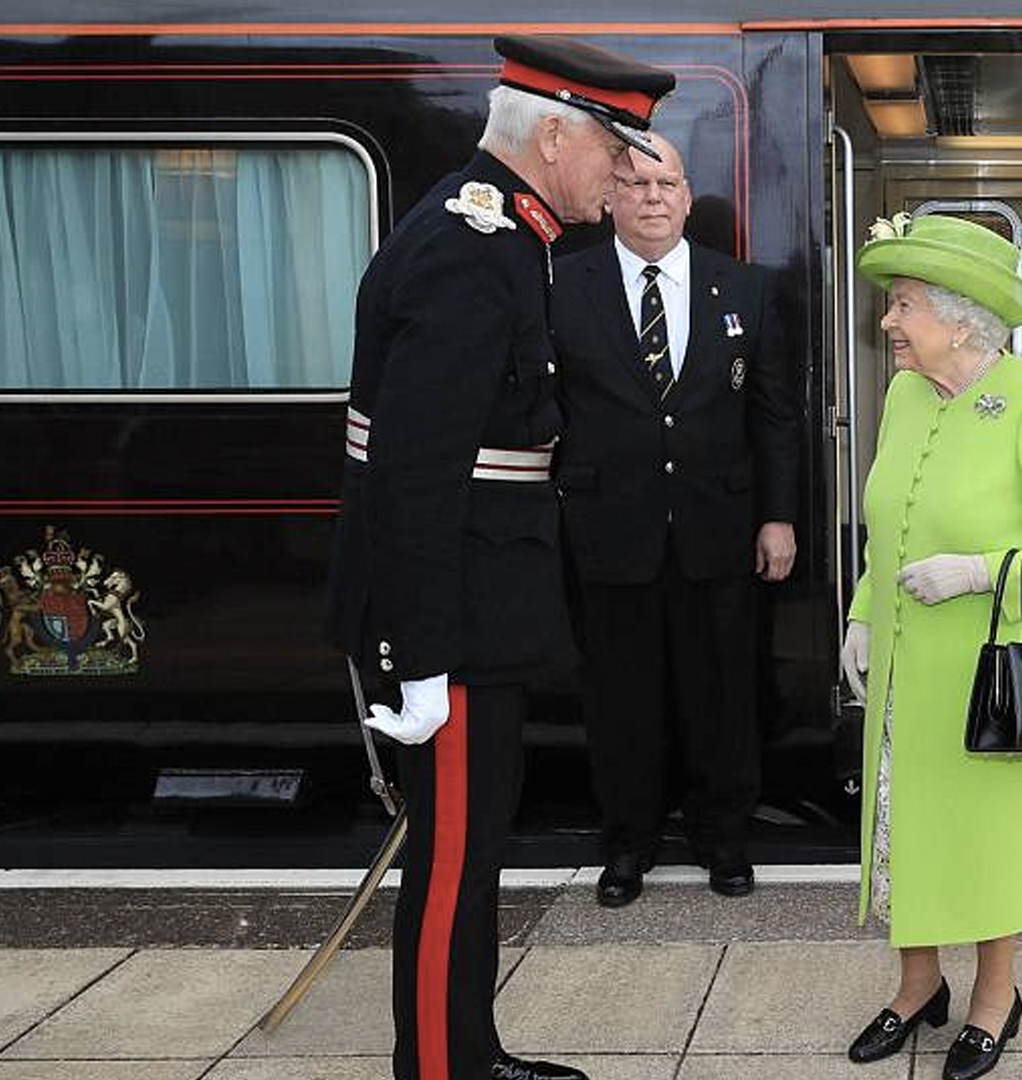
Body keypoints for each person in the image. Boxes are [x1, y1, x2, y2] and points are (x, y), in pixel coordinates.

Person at [323, 36, 673, 1080]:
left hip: (481, 604)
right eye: (616, 151)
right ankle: (440, 1070)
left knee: (471, 859)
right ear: (553, 133)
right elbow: (416, 474)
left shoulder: (506, 236)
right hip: (458, 621)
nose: (625, 174)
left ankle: (466, 1052)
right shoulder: (472, 247)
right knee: (452, 869)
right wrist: (422, 657)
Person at [837, 214, 1022, 1080]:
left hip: (992, 673)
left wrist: (974, 573)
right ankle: (917, 985)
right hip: (903, 670)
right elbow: (888, 522)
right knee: (902, 826)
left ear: (960, 319)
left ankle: (996, 997)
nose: (889, 321)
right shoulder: (906, 394)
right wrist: (862, 609)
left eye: (905, 304)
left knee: (990, 841)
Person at [550, 134, 800, 905]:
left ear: (689, 198)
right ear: (608, 200)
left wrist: (779, 518)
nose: (652, 197)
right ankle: (628, 845)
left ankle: (724, 841)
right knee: (622, 701)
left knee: (721, 696)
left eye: (666, 183)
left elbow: (774, 417)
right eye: (633, 183)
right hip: (607, 533)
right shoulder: (562, 286)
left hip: (718, 530)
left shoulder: (747, 290)